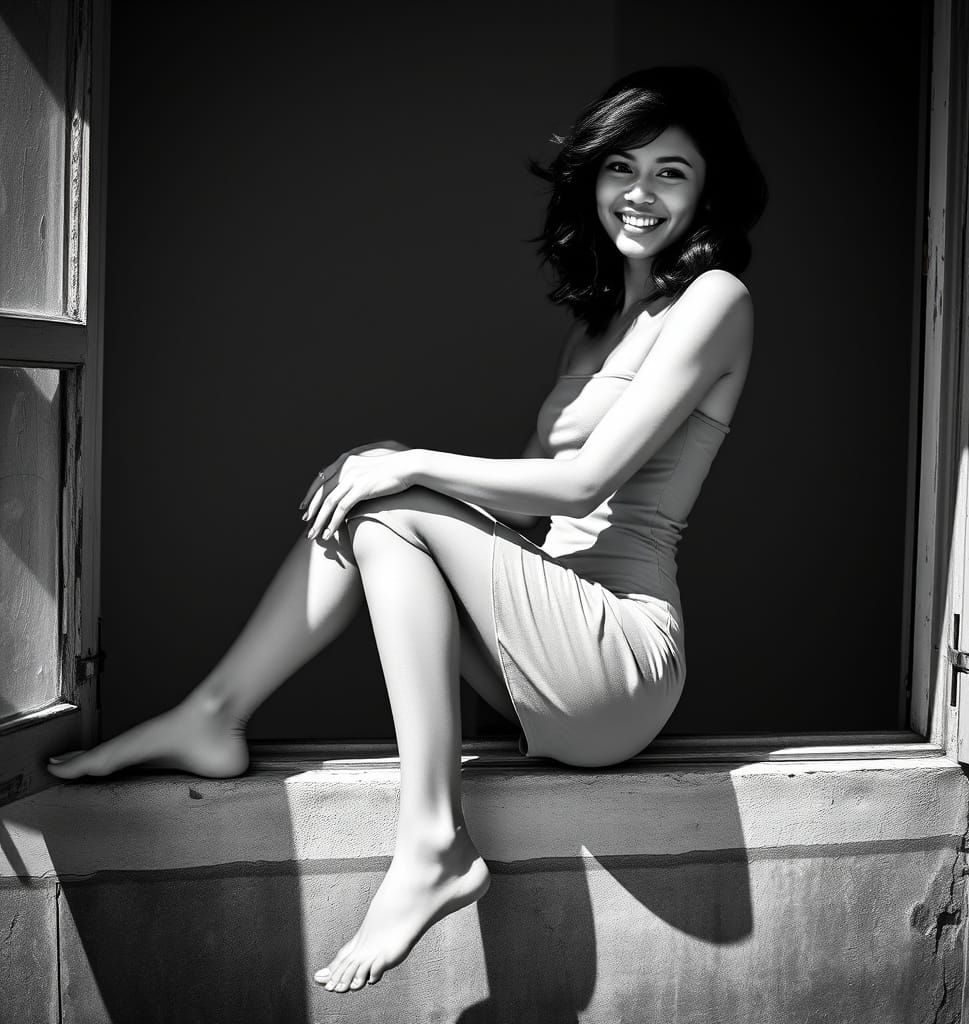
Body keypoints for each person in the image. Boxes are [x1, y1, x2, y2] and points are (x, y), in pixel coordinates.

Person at [46, 65, 768, 994]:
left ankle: (429, 840)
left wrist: (413, 467)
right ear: (589, 178)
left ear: (710, 188)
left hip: (621, 655)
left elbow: (588, 481)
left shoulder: (715, 301)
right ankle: (214, 717)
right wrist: (392, 462)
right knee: (373, 490)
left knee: (390, 488)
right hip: (542, 654)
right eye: (621, 166)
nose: (639, 193)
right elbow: (531, 510)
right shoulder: (595, 328)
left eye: (672, 172)